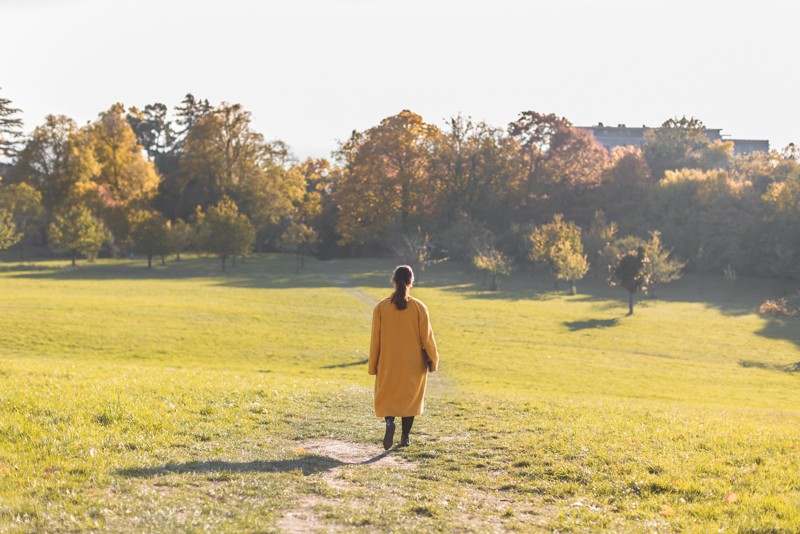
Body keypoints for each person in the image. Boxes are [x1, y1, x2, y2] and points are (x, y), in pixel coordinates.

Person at [368, 265, 439, 450]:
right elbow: (427, 338)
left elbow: (375, 339)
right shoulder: (419, 307)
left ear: (393, 280)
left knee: (388, 394)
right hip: (413, 363)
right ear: (411, 282)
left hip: (387, 362)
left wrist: (373, 365)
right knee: (410, 398)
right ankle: (405, 437)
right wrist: (433, 360)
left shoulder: (381, 307)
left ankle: (390, 421)